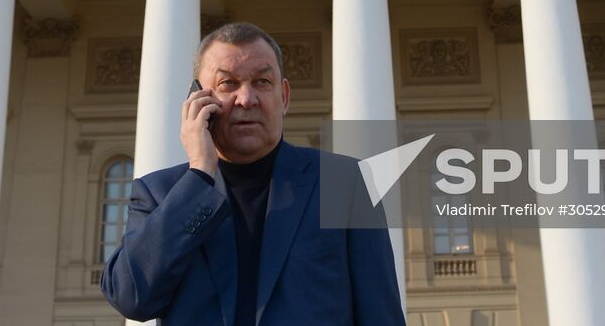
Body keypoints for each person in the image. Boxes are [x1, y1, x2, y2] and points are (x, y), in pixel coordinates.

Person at [100, 22, 406, 325]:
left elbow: (381, 314)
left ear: (283, 97)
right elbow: (131, 296)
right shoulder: (160, 192)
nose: (246, 99)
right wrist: (200, 175)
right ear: (197, 99)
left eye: (262, 82)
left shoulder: (344, 183)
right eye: (228, 84)